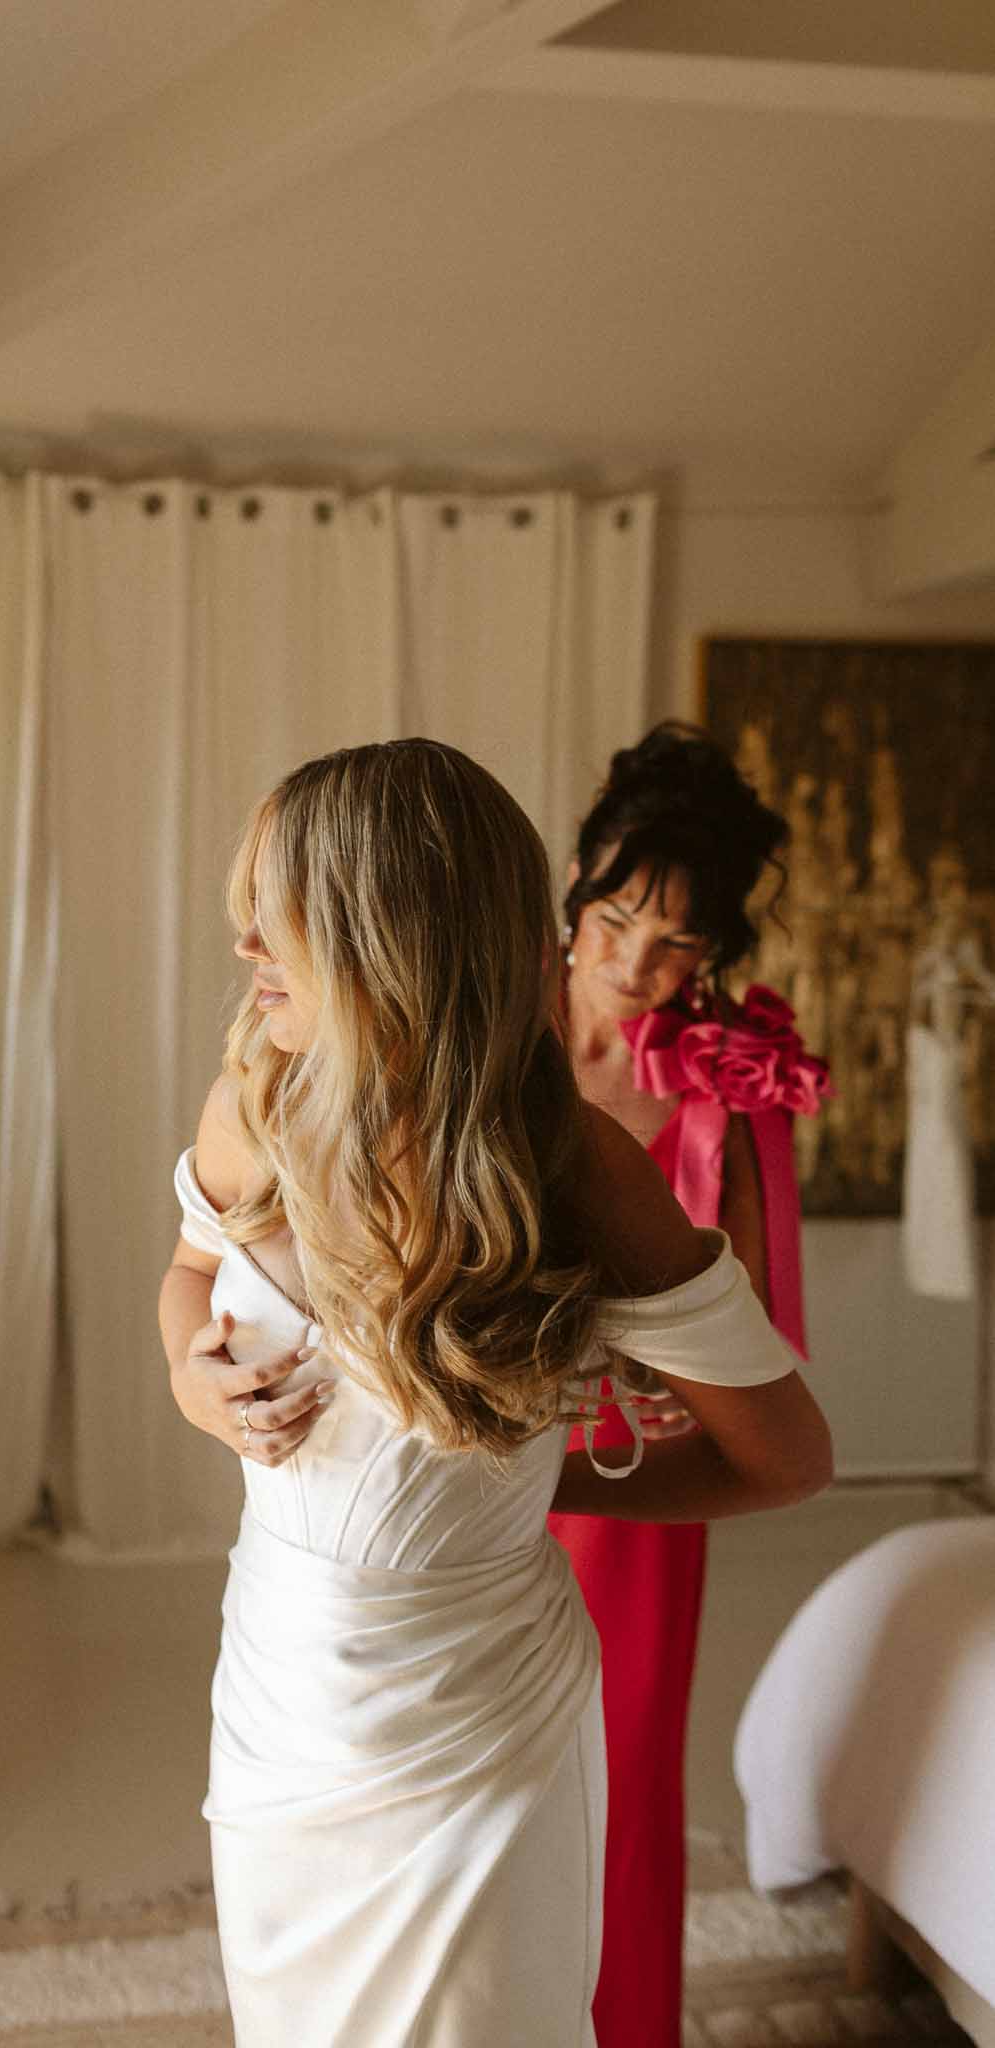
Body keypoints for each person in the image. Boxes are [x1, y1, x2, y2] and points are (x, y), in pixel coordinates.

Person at [160, 738, 832, 2047]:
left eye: (277, 914)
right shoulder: (254, 1105)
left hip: (477, 1726)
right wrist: (195, 1380)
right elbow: (189, 1276)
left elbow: (785, 1458)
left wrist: (536, 1490)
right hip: (277, 1698)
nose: (245, 945)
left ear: (391, 934)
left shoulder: (575, 1171)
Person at [548, 720, 831, 2048]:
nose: (630, 965)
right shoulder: (493, 1026)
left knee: (621, 1769)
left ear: (712, 952)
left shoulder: (731, 1081)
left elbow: (753, 1315)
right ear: (573, 890)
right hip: (480, 1432)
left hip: (634, 1473)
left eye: (674, 944)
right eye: (612, 921)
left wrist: (694, 1384)